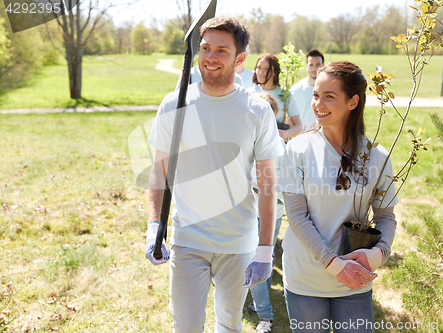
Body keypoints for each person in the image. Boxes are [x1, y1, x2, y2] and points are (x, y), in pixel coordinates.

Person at [145, 17, 284, 333]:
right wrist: (154, 225)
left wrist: (265, 248)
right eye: (205, 48)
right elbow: (159, 172)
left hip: (238, 243)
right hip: (188, 239)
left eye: (222, 50)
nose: (210, 57)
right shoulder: (175, 103)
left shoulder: (257, 111)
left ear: (239, 59)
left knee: (229, 326)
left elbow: (267, 184)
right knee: (187, 326)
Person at [278, 61, 398, 333]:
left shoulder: (377, 157)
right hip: (305, 279)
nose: (318, 104)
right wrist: (334, 264)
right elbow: (296, 216)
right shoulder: (297, 150)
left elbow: (385, 216)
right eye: (316, 95)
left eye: (329, 96)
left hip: (355, 280)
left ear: (353, 102)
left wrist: (378, 255)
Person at [248, 92, 285, 333]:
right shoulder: (250, 138)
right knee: (265, 256)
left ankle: (265, 316)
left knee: (257, 258)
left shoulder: (276, 144)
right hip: (256, 209)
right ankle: (259, 301)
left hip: (268, 210)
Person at [247, 53, 302, 142]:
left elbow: (298, 126)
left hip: (277, 145)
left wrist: (285, 133)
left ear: (274, 72)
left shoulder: (285, 95)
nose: (261, 72)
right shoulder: (249, 93)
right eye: (259, 67)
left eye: (266, 69)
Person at [290, 49, 324, 133]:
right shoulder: (296, 90)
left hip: (324, 138)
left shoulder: (329, 90)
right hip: (301, 138)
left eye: (318, 64)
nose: (315, 68)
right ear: (306, 66)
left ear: (323, 66)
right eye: (311, 65)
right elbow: (290, 118)